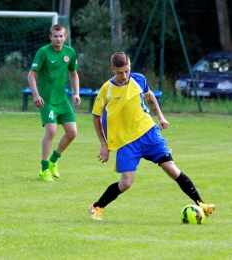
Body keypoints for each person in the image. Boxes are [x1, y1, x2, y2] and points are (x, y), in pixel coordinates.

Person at [89, 51, 215, 220]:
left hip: (149, 133)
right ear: (112, 69)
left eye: (126, 70)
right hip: (127, 141)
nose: (124, 75)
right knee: (126, 183)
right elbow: (96, 117)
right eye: (120, 72)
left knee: (172, 169)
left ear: (130, 66)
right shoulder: (107, 89)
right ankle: (97, 207)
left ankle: (202, 204)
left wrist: (161, 117)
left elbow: (150, 97)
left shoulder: (139, 79)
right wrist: (103, 144)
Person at [28, 24, 81, 182]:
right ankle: (44, 169)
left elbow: (74, 74)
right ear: (50, 37)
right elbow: (31, 74)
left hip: (62, 99)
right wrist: (36, 95)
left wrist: (76, 93)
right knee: (51, 131)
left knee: (72, 133)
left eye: (61, 36)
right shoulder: (43, 52)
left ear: (65, 37)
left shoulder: (69, 52)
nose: (58, 39)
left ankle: (53, 160)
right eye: (55, 36)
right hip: (46, 99)